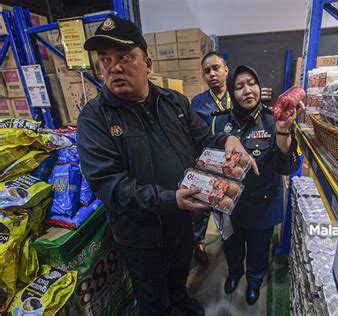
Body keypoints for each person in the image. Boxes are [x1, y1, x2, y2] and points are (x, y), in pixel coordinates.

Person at [76, 16, 257, 316]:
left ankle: (181, 302)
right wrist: (169, 199)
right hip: (141, 234)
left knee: (178, 278)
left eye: (124, 57)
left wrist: (228, 142)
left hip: (181, 220)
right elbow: (108, 184)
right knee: (152, 298)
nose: (114, 67)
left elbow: (203, 138)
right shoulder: (95, 119)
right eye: (105, 60)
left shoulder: (174, 102)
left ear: (146, 63)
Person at [212, 65, 302, 305]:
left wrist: (283, 133)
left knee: (258, 250)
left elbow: (287, 168)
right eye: (239, 86)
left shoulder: (274, 120)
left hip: (262, 205)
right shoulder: (219, 123)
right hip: (227, 205)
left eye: (251, 83)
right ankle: (234, 274)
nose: (247, 90)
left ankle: (253, 281)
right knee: (231, 247)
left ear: (259, 87)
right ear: (231, 92)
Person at [190, 51, 232, 264]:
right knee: (202, 208)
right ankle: (198, 242)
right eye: (207, 71)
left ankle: (229, 239)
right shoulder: (197, 103)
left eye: (216, 68)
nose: (212, 74)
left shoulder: (239, 96)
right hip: (207, 163)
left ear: (226, 69)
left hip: (233, 165)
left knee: (228, 204)